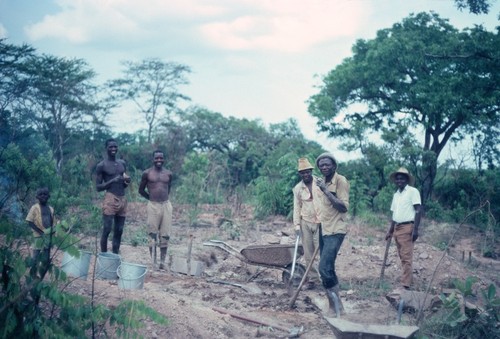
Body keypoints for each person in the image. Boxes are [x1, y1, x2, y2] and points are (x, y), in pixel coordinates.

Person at [313, 152, 350, 316]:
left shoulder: (340, 181)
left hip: (336, 229)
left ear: (334, 166)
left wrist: (325, 190)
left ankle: (337, 306)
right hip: (324, 228)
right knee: (328, 268)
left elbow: (343, 207)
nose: (324, 167)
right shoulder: (322, 182)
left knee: (323, 268)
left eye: (327, 164)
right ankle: (335, 306)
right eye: (321, 165)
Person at [385, 167, 421, 290]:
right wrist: (390, 231)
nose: (399, 180)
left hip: (408, 227)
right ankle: (408, 280)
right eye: (397, 178)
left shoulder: (412, 191)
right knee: (402, 256)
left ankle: (406, 285)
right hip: (397, 228)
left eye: (402, 178)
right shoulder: (396, 195)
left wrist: (415, 229)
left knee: (406, 256)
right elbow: (394, 214)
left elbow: (418, 210)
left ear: (407, 179)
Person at [138, 150, 173, 270]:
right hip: (153, 205)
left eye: (161, 158)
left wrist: (163, 200)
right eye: (156, 158)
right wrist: (151, 198)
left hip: (166, 205)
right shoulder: (147, 173)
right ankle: (153, 262)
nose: (159, 160)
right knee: (152, 233)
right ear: (153, 159)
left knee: (165, 234)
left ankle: (162, 262)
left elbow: (168, 189)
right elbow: (141, 190)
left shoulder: (168, 174)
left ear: (163, 159)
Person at [95, 138, 130, 254]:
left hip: (122, 199)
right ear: (106, 149)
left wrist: (127, 182)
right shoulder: (102, 165)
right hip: (110, 198)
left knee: (119, 230)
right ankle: (104, 256)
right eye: (111, 147)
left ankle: (115, 255)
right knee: (107, 229)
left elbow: (123, 184)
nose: (113, 149)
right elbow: (98, 187)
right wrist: (112, 181)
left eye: (115, 147)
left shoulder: (122, 163)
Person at [292, 157, 321, 289]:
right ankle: (314, 280)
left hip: (321, 223)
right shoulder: (298, 188)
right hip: (306, 222)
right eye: (303, 172)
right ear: (300, 174)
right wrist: (297, 226)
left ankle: (327, 279)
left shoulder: (320, 183)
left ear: (311, 171)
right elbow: (297, 207)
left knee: (323, 254)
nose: (306, 174)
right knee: (309, 254)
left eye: (307, 171)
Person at [26, 187, 55, 276]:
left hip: (48, 237)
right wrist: (40, 232)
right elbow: (29, 221)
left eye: (45, 194)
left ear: (48, 196)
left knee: (46, 258)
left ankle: (41, 275)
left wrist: (53, 234)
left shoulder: (51, 209)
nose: (43, 196)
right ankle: (32, 274)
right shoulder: (34, 208)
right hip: (38, 237)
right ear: (37, 197)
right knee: (35, 256)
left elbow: (53, 222)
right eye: (40, 194)